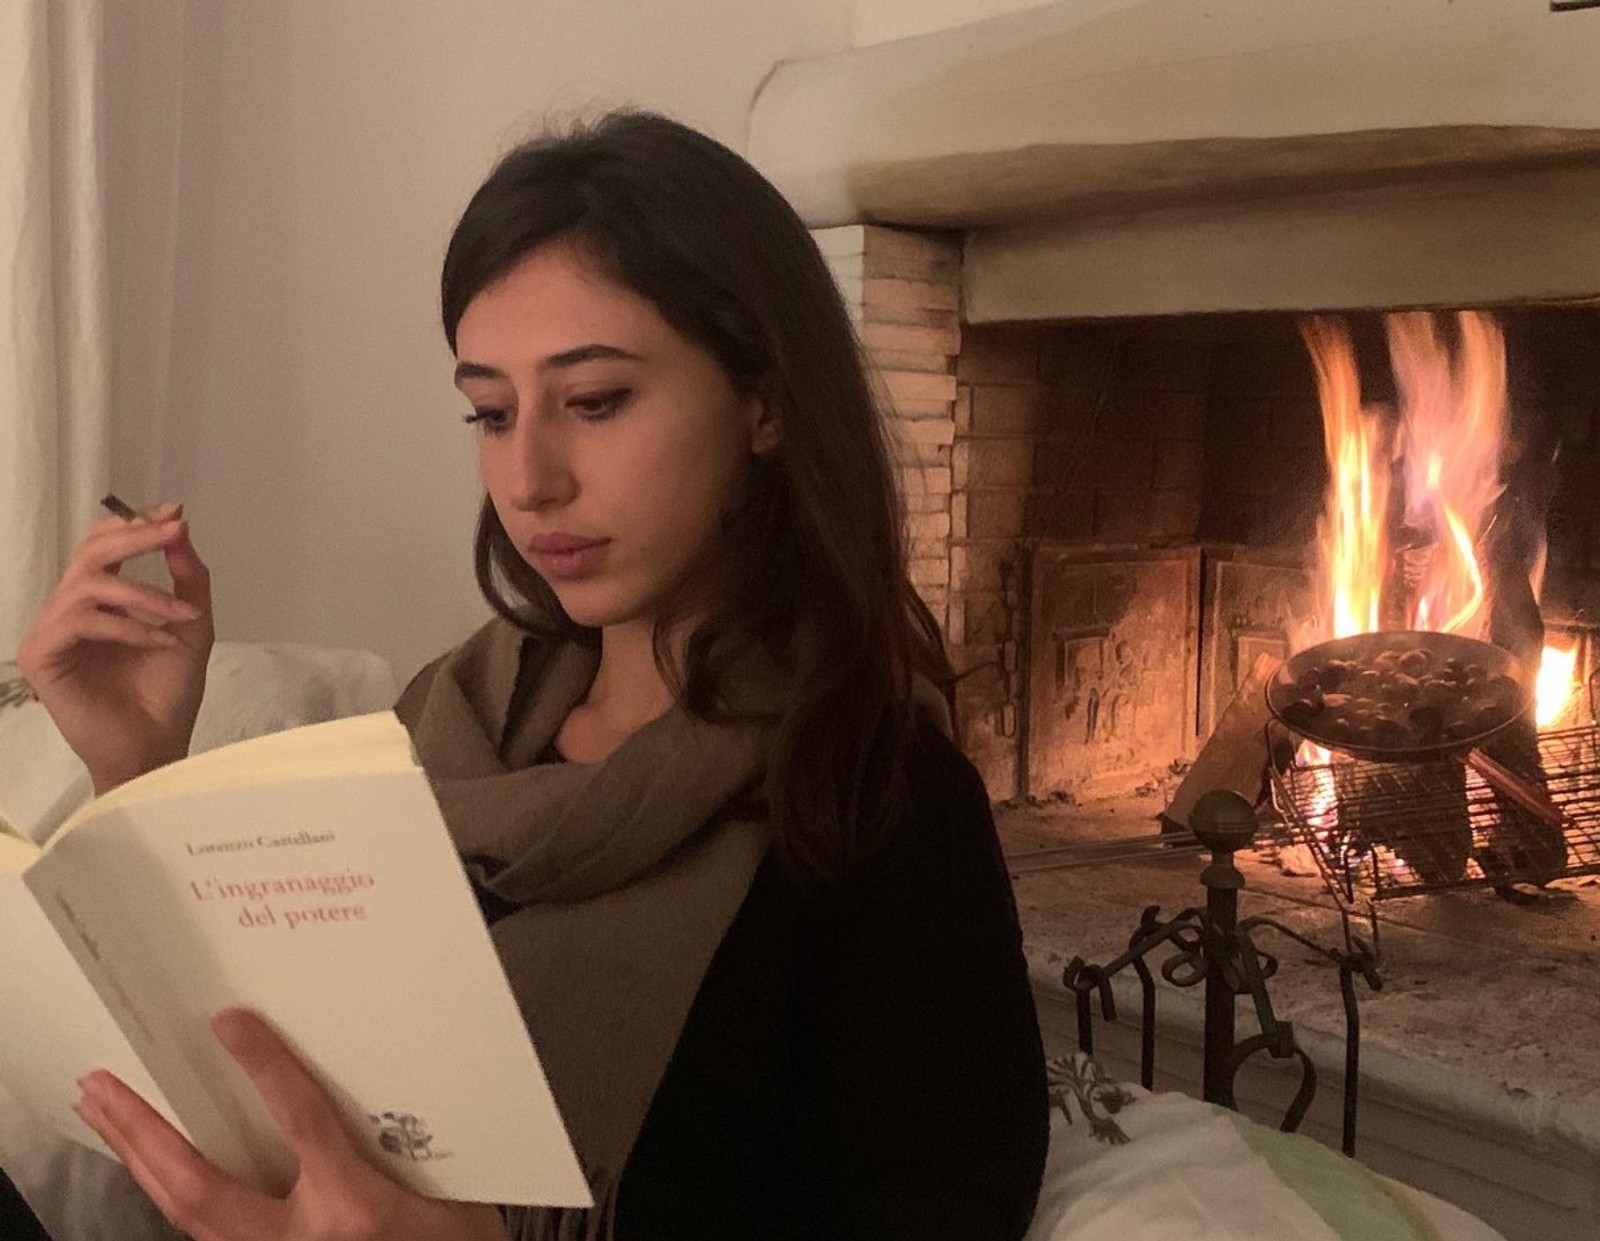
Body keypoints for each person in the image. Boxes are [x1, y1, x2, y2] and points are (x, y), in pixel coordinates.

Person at [15, 110, 1048, 1240]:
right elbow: (256, 1074)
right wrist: (136, 768)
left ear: (765, 402)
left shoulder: (882, 804)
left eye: (595, 401)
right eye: (491, 412)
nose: (528, 478)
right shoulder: (446, 721)